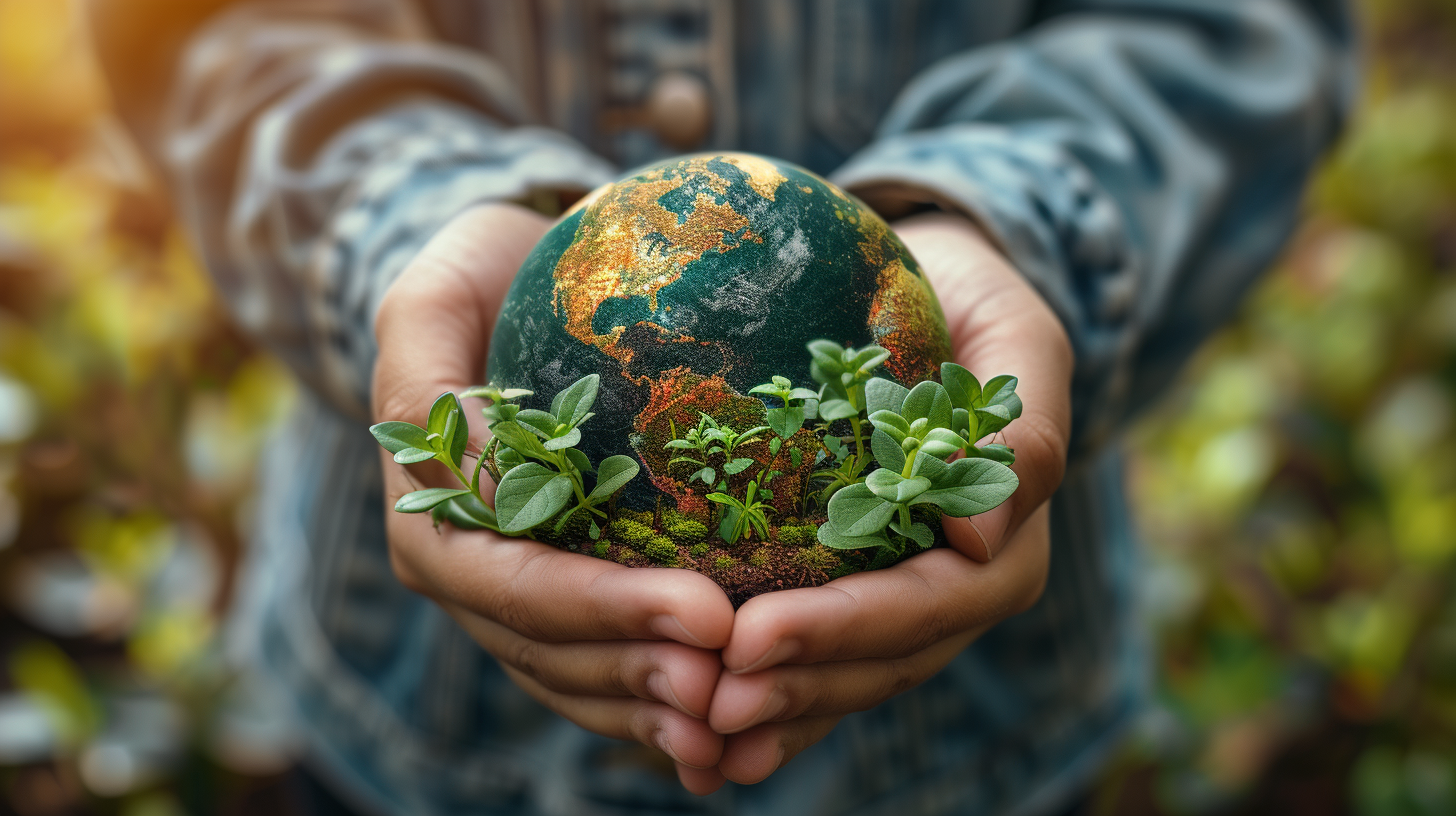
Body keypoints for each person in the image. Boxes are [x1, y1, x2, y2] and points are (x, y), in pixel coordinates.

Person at [88, 1, 1356, 813]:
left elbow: (1239, 32)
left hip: (981, 742)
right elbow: (197, 26)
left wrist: (1006, 220)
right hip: (402, 717)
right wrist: (403, 222)